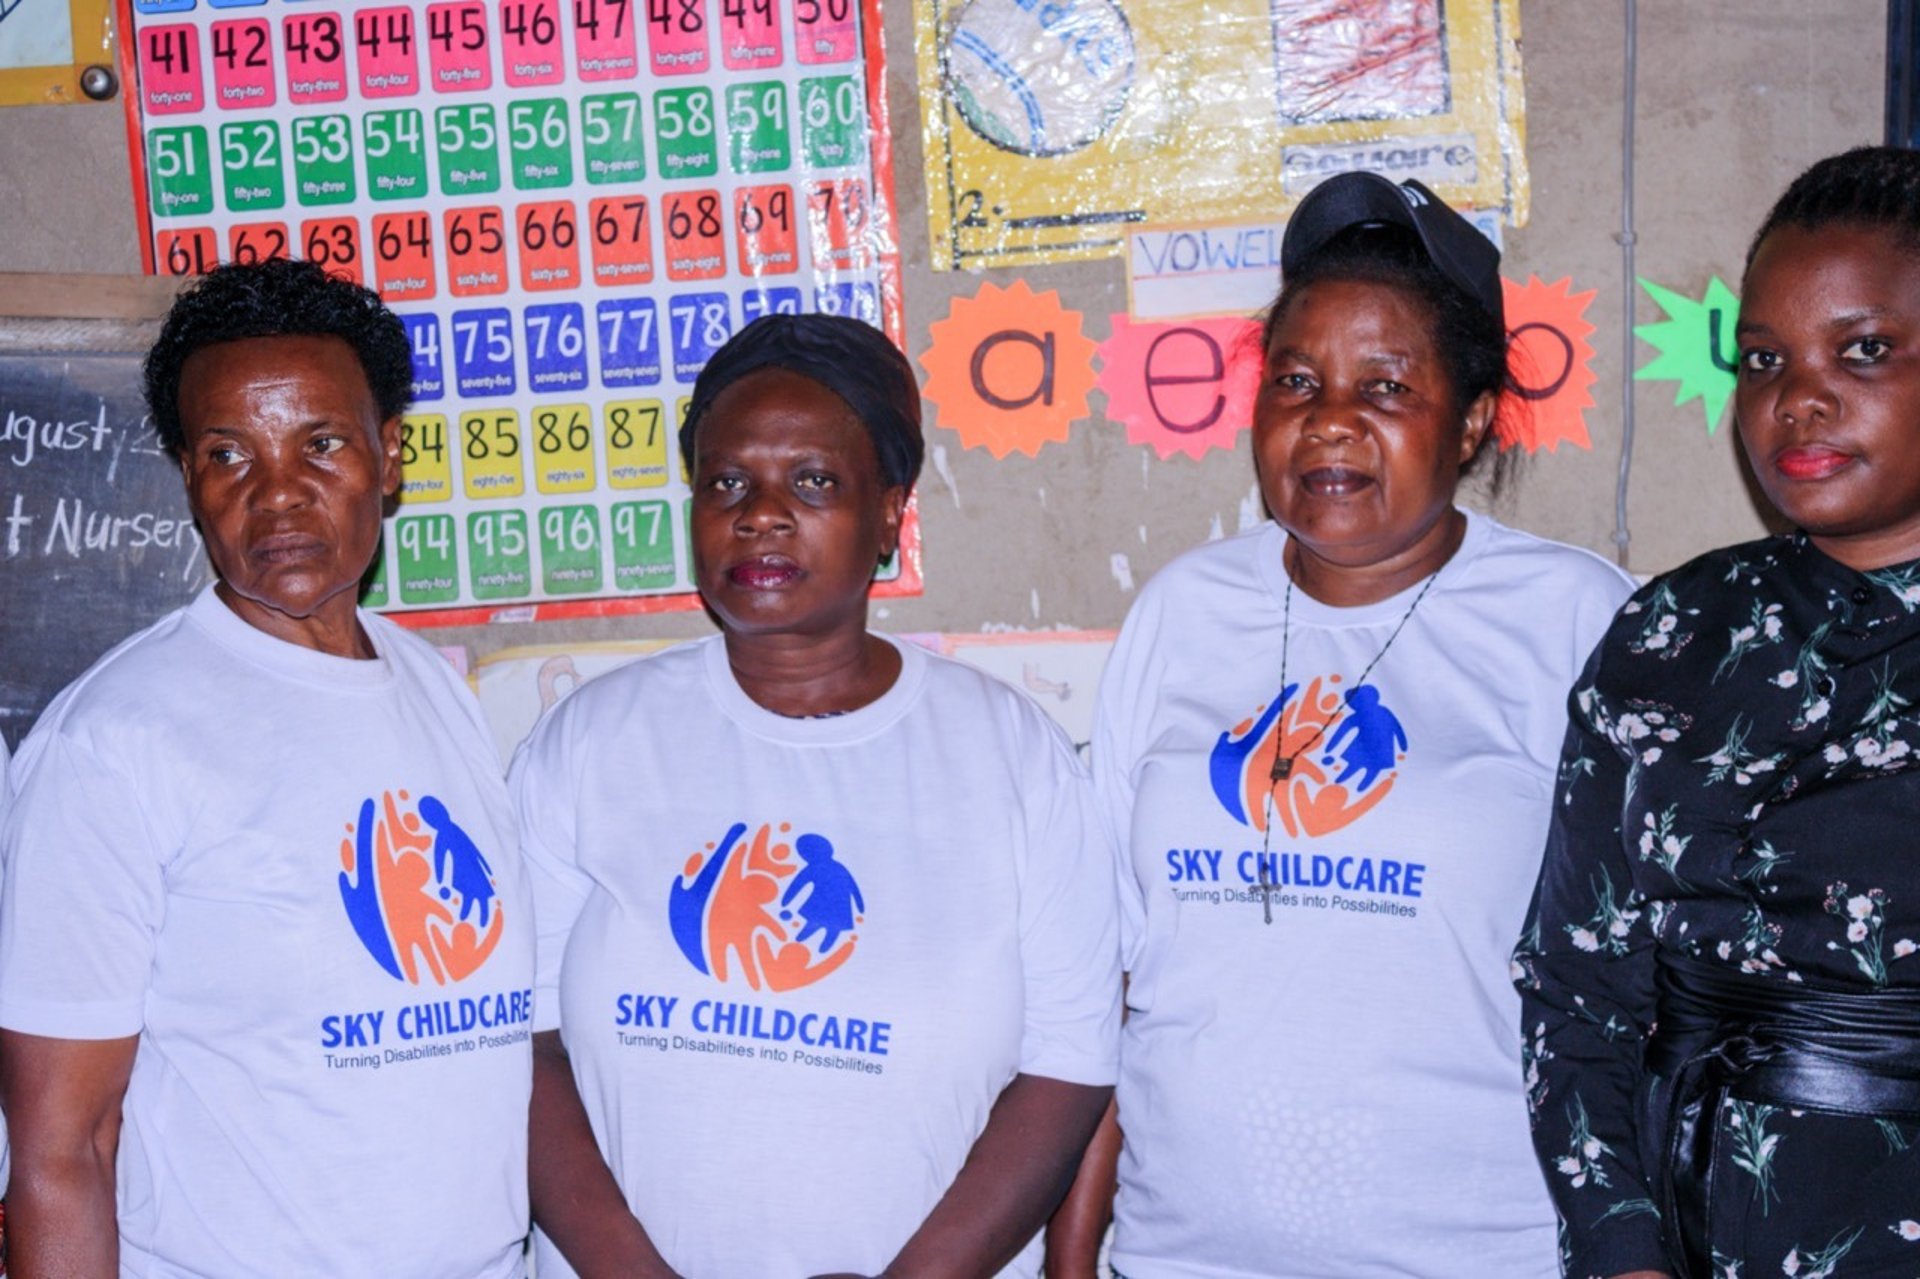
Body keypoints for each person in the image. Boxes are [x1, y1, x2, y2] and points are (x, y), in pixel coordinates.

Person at [1052, 172, 1635, 1278]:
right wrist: (1073, 1253)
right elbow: (1114, 979)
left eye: (1385, 385)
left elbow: (1641, 987)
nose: (1329, 418)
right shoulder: (1184, 611)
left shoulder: (1577, 621)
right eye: (1297, 380)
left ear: (1468, 421)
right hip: (1183, 1257)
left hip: (1479, 1252)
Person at [513, 312, 1121, 1278]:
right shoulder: (589, 741)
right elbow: (520, 1041)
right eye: (727, 483)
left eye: (813, 481)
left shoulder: (1012, 755)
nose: (761, 513)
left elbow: (1069, 1061)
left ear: (890, 513)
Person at [0, 259, 534, 1277]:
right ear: (190, 480)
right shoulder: (116, 743)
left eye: (321, 444)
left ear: (391, 457)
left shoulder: (433, 691)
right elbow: (60, 1150)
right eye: (228, 455)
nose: (277, 492)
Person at [1517, 145, 1920, 1278]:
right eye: (1762, 358)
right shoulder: (1669, 635)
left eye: (1866, 350)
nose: (1800, 394)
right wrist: (1623, 1249)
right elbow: (1575, 982)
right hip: (1684, 1233)